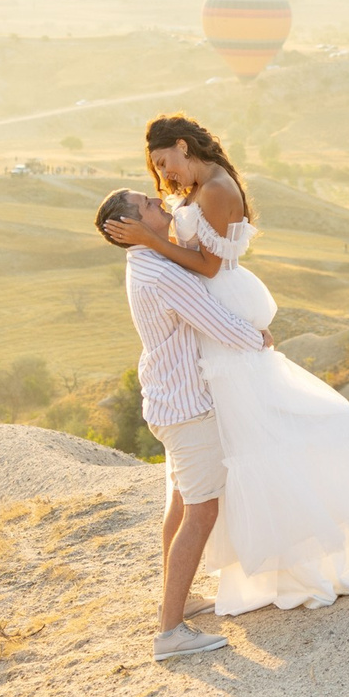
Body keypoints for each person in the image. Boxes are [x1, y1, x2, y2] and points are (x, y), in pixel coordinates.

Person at [103, 113, 349, 619]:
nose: (162, 177)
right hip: (204, 311)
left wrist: (153, 240)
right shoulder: (195, 185)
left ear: (180, 145)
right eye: (155, 170)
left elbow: (210, 266)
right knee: (224, 453)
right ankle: (189, 590)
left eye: (162, 162)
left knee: (258, 431)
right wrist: (155, 237)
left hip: (216, 299)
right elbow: (187, 259)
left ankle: (296, 557)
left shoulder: (216, 188)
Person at [96, 186, 272, 663]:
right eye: (150, 205)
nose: (162, 205)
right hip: (188, 409)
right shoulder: (158, 274)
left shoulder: (146, 262)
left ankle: (174, 604)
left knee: (179, 504)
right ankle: (169, 631)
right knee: (201, 513)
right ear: (130, 227)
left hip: (168, 400)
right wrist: (258, 339)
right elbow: (212, 320)